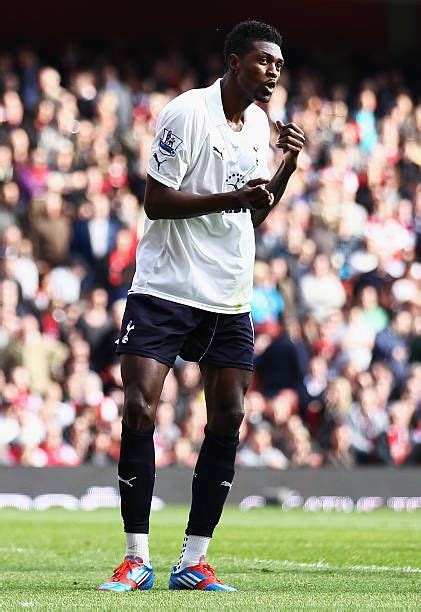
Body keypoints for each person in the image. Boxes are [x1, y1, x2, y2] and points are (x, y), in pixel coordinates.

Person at [98, 19, 305, 593]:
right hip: (165, 288)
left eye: (279, 66)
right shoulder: (187, 113)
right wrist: (232, 197)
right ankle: (135, 558)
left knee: (231, 416)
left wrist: (282, 168)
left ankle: (193, 560)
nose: (272, 73)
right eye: (264, 62)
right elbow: (157, 202)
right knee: (139, 405)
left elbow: (254, 213)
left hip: (228, 292)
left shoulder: (260, 124)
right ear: (234, 61)